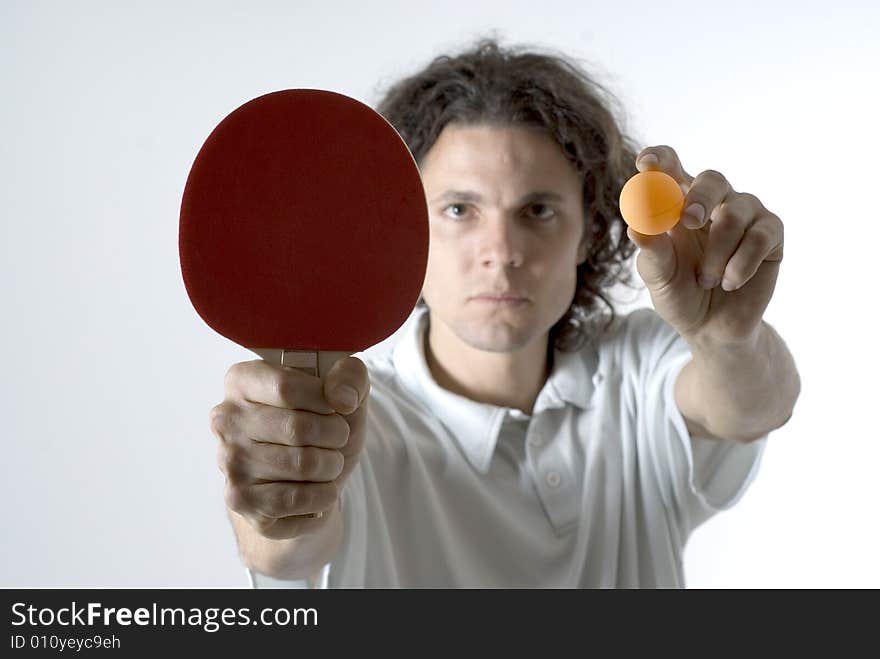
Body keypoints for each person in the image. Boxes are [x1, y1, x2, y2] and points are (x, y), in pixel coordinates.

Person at [210, 38, 800, 588]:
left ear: (591, 231)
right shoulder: (357, 419)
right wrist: (278, 494)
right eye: (460, 209)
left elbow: (753, 406)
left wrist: (725, 336)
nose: (502, 252)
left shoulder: (639, 368)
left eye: (537, 210)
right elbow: (286, 549)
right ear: (404, 231)